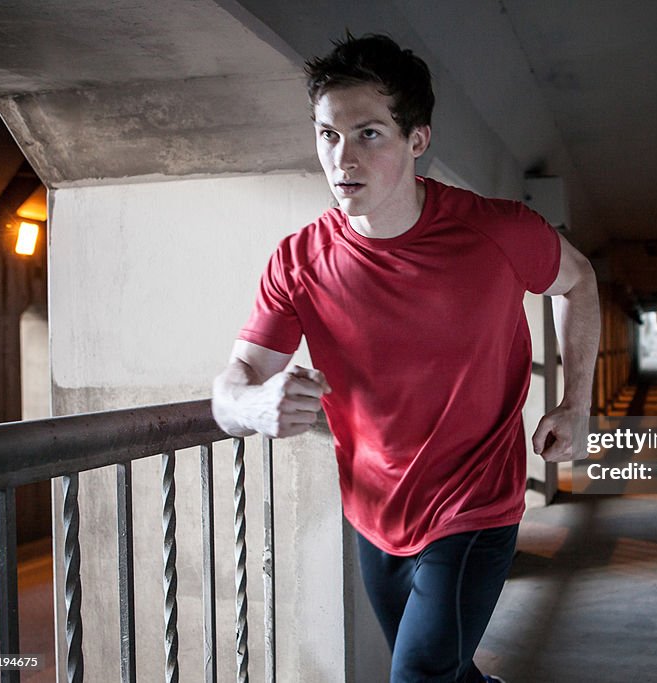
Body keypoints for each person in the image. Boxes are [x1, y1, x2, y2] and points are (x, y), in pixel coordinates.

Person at [212, 33, 600, 683]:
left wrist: (576, 402)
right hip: (375, 511)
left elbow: (580, 279)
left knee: (417, 674)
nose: (343, 159)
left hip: (476, 504)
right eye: (328, 136)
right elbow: (232, 387)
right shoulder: (299, 261)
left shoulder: (496, 232)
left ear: (417, 140)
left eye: (368, 135)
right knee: (442, 671)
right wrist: (252, 402)